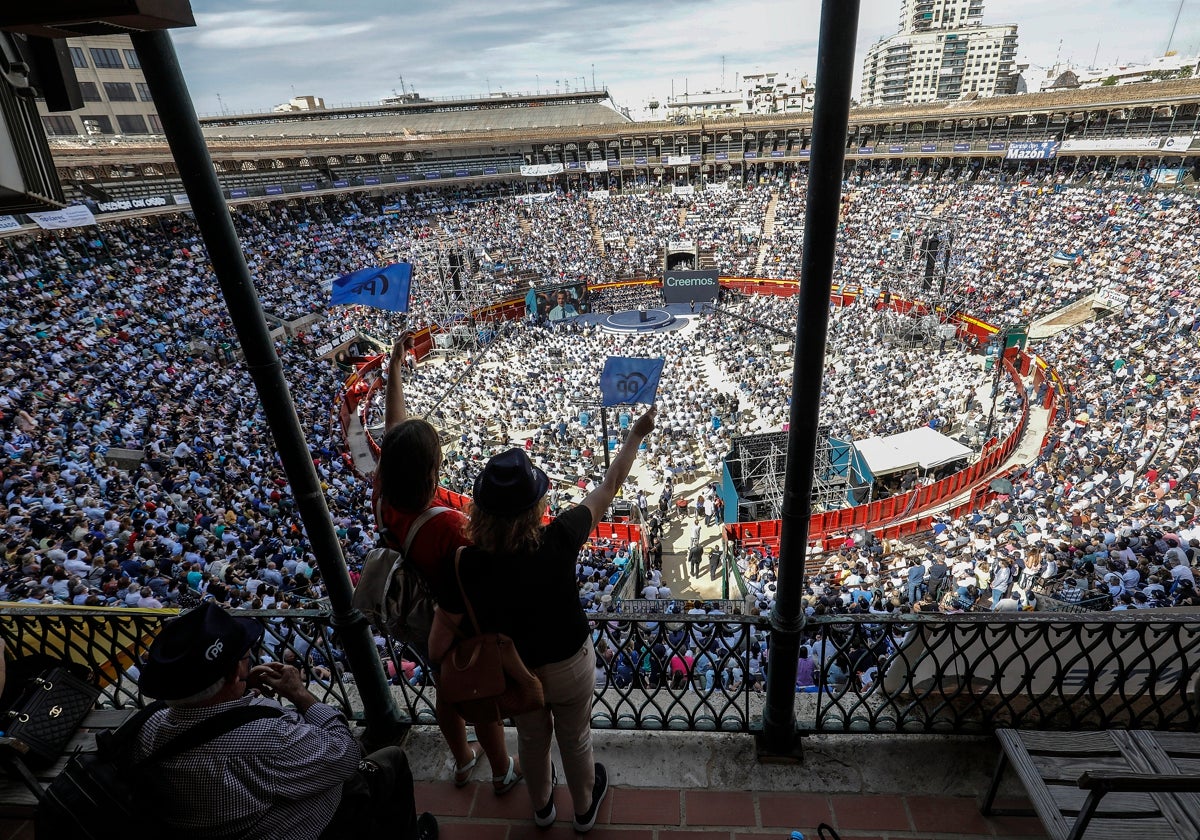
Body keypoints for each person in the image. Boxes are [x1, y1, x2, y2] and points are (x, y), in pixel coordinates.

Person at [430, 406, 656, 833]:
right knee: (576, 737)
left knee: (531, 738)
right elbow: (611, 485)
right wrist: (637, 434)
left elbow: (437, 644)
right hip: (569, 661)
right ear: (536, 505)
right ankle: (585, 810)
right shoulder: (561, 536)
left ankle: (542, 808)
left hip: (513, 672)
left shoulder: (463, 562)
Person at [134, 602, 436, 840]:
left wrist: (239, 689)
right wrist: (302, 695)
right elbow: (346, 754)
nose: (249, 656)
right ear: (230, 675)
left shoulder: (149, 728)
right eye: (243, 656)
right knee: (390, 760)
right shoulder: (266, 739)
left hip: (231, 822)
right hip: (306, 825)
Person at [373, 342, 517, 793]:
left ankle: (461, 760)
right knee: (476, 690)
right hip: (454, 621)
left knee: (444, 687)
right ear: (432, 473)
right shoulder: (450, 524)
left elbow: (395, 433)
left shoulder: (383, 492)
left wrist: (395, 370)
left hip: (413, 617)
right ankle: (501, 770)